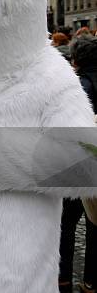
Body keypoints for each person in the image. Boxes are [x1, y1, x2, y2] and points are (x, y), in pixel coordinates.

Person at [59, 35, 97, 293]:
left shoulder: (77, 88)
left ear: (76, 61)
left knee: (66, 225)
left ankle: (62, 278)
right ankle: (91, 281)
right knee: (95, 226)